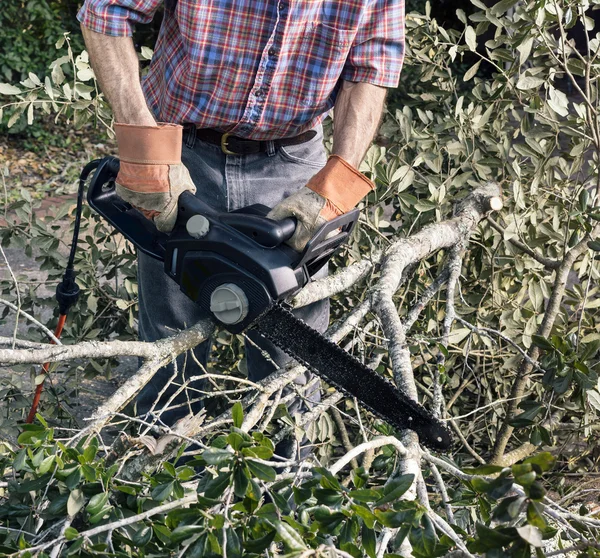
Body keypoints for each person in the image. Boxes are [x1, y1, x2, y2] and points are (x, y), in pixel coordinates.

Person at [78, 0, 405, 450]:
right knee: (172, 336)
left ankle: (289, 481)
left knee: (292, 355)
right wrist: (145, 150)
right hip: (182, 148)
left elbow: (374, 61)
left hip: (294, 163)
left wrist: (336, 182)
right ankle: (158, 475)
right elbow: (106, 12)